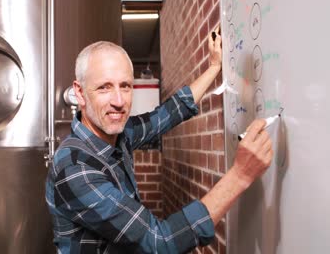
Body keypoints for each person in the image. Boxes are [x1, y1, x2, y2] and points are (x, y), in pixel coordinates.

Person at [45, 29, 273, 253]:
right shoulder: (75, 168)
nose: (118, 101)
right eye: (104, 87)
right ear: (80, 93)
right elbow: (159, 242)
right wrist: (240, 175)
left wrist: (214, 67)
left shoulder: (117, 135)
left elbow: (167, 115)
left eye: (125, 86)